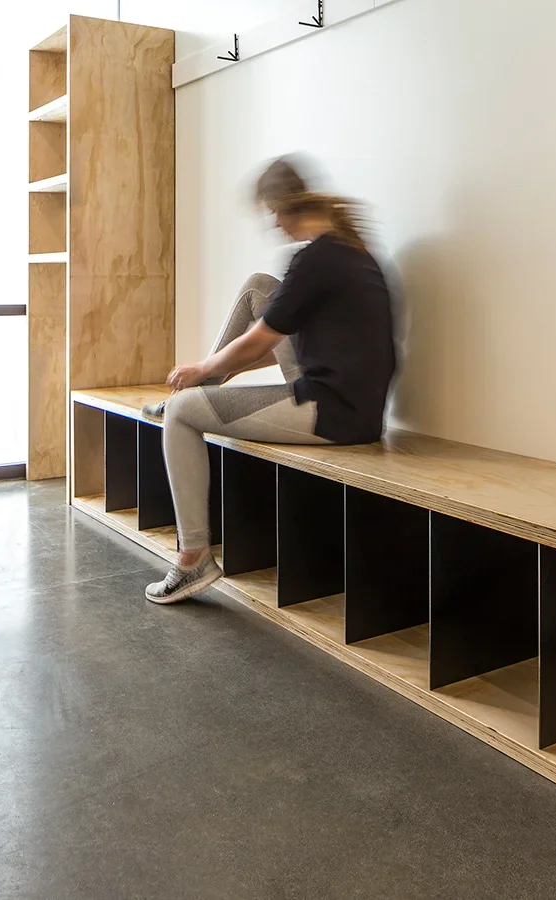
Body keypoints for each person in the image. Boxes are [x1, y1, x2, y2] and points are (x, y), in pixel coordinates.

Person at [144, 156, 398, 604]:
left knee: (182, 414)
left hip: (334, 413)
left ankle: (192, 559)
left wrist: (202, 370)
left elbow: (260, 341)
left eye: (272, 214)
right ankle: (202, 393)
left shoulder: (316, 259)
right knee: (259, 287)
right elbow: (270, 336)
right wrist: (213, 373)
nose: (275, 225)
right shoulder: (347, 250)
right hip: (347, 399)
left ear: (283, 207)